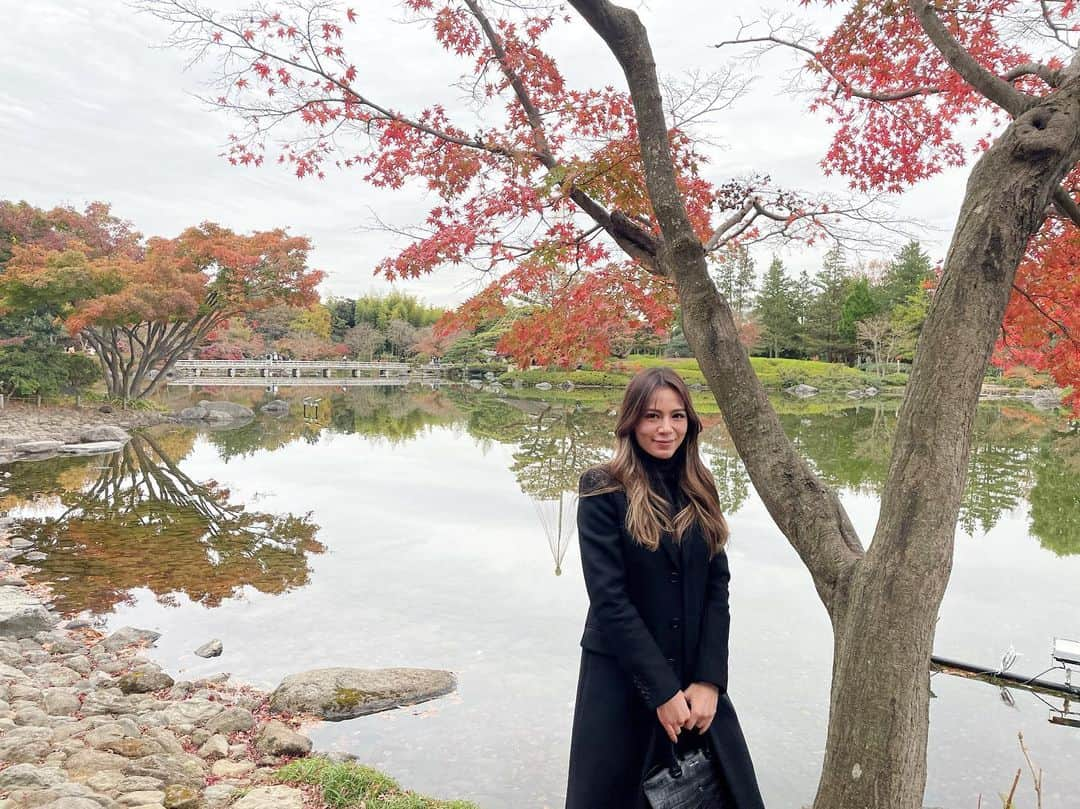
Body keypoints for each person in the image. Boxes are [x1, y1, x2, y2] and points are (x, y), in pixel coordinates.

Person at [565, 367, 764, 809]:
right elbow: (609, 599)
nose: (665, 428)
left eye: (676, 417)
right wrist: (661, 691)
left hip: (696, 684)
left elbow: (718, 586)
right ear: (632, 421)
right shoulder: (603, 489)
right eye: (652, 416)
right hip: (622, 681)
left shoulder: (701, 487)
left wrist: (710, 681)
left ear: (690, 423)